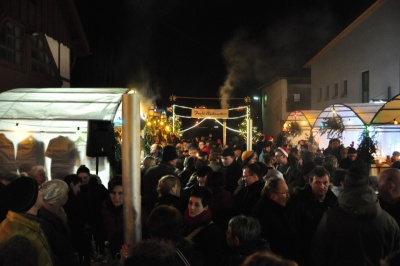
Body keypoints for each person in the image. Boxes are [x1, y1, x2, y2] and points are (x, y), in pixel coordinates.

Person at [312, 169, 400, 266]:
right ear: (370, 186)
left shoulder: (330, 218)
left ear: (344, 186)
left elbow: (319, 254)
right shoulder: (389, 221)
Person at [0, 176, 54, 265]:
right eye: (38, 190)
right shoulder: (19, 240)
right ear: (30, 199)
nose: (41, 192)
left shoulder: (27, 224)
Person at [290, 165, 338, 265]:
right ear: (310, 182)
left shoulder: (334, 202)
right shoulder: (299, 201)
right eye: (317, 183)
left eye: (325, 183)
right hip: (305, 252)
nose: (322, 186)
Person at [250, 177, 298, 261]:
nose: (288, 196)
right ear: (273, 195)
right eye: (285, 193)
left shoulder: (279, 207)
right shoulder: (262, 212)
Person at [38, 179, 76, 266]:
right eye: (66, 193)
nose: (67, 196)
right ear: (58, 196)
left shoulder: (58, 212)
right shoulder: (45, 220)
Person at [183, 186, 224, 266]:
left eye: (197, 205)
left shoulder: (213, 233)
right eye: (190, 203)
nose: (191, 207)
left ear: (206, 207)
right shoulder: (182, 220)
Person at [143, 145, 179, 215]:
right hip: (165, 213)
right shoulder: (172, 175)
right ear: (173, 159)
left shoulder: (150, 171)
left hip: (149, 210)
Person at [101, 176, 124, 259]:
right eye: (113, 193)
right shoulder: (105, 209)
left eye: (121, 193)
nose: (116, 198)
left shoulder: (133, 210)